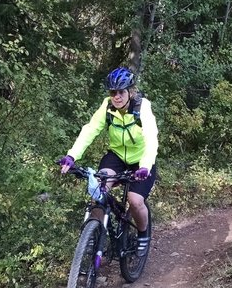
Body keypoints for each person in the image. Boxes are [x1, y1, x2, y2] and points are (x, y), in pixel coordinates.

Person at [59, 67, 159, 257]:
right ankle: (93, 237)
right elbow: (90, 130)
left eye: (121, 92)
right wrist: (72, 156)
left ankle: (143, 234)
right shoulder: (107, 106)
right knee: (98, 192)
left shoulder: (142, 107)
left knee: (135, 200)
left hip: (142, 159)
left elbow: (151, 138)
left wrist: (145, 165)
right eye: (113, 92)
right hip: (117, 157)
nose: (117, 97)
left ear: (130, 91)